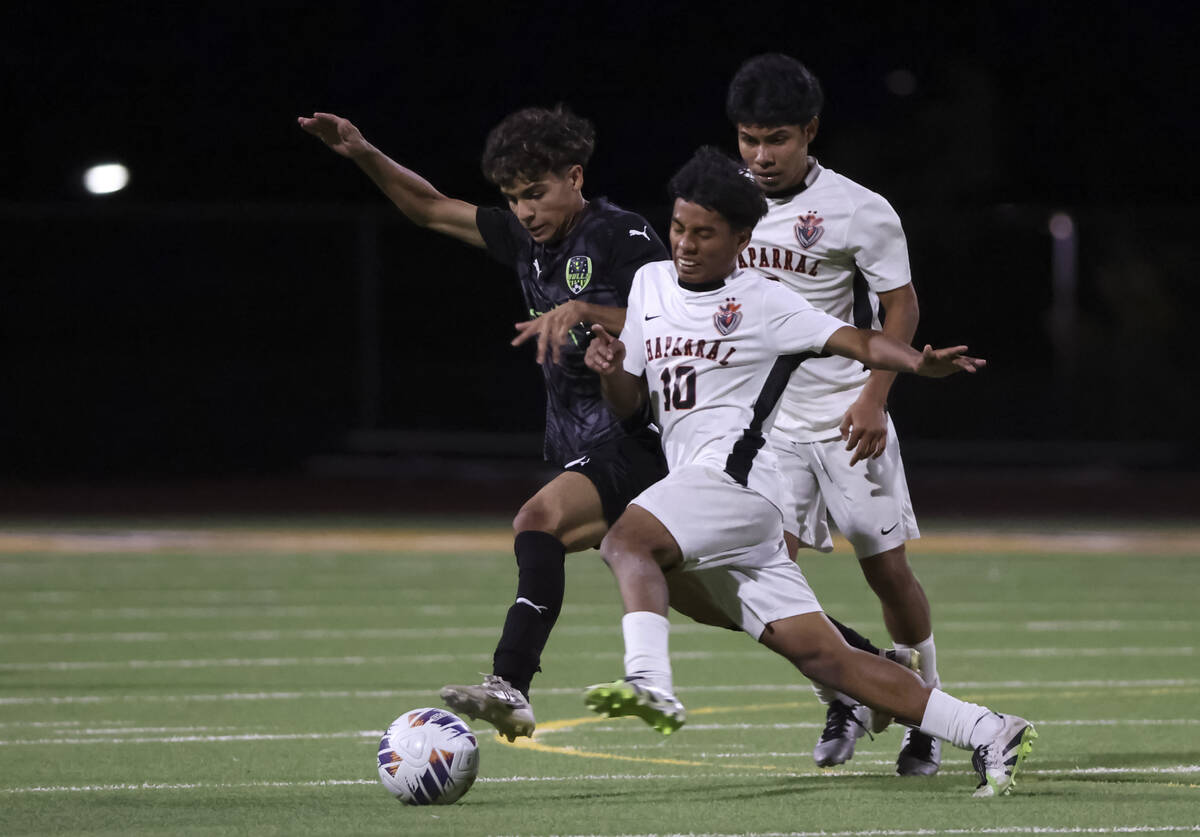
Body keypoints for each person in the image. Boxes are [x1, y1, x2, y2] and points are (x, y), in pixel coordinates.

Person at [582, 147, 1035, 799]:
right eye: (679, 227)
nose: (685, 243)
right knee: (827, 658)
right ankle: (988, 727)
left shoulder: (764, 300)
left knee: (624, 539)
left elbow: (857, 339)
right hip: (716, 500)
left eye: (703, 233)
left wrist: (913, 362)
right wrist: (611, 371)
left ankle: (648, 681)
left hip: (741, 483)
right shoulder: (650, 284)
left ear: (741, 240)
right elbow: (632, 403)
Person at [299, 106, 669, 740]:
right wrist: (363, 151)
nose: (524, 212)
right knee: (718, 599)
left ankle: (511, 684)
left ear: (574, 178)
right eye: (512, 198)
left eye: (536, 193)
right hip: (597, 441)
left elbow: (675, 321)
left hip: (649, 435)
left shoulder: (621, 235)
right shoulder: (526, 239)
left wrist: (585, 310)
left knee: (537, 521)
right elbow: (431, 208)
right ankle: (862, 669)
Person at [726, 53, 945, 774]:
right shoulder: (725, 200)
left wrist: (875, 398)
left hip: (850, 416)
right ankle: (844, 690)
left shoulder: (858, 208)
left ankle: (929, 711)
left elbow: (901, 305)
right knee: (764, 577)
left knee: (886, 574)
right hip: (770, 428)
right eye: (749, 138)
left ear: (810, 132)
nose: (760, 156)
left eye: (777, 139)